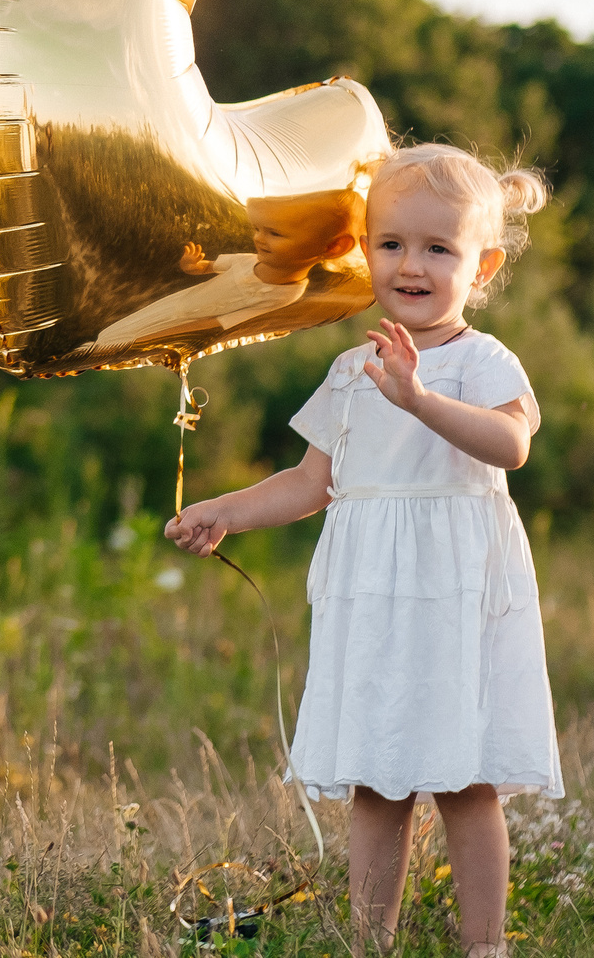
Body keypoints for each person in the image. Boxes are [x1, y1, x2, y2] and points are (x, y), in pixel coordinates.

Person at [164, 144, 562, 956]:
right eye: (392, 243)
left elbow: (511, 444)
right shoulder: (353, 370)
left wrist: (419, 398)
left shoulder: (481, 360)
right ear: (364, 251)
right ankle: (367, 943)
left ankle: (484, 945)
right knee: (378, 777)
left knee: (466, 777)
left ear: (482, 265)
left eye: (438, 247)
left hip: (455, 594)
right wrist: (224, 510)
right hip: (376, 596)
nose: (411, 264)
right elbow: (310, 482)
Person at [88, 189, 361, 354]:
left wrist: (164, 338)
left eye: (275, 233)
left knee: (122, 341)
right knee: (115, 332)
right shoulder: (248, 260)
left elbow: (217, 323)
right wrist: (192, 266)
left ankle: (90, 354)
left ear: (333, 247)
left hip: (184, 321)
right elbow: (208, 267)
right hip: (177, 305)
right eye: (257, 229)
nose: (259, 239)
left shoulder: (285, 294)